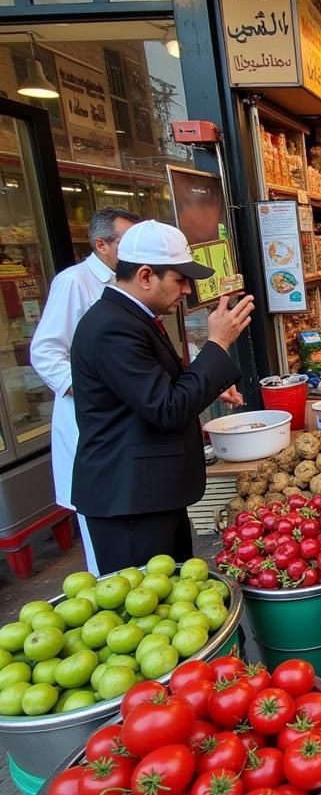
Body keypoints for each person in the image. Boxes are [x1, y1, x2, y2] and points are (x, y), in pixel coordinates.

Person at [70, 220, 254, 573]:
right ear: (145, 276)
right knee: (148, 607)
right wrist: (218, 345)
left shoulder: (133, 317)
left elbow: (157, 390)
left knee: (175, 592)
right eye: (180, 279)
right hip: (130, 502)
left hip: (151, 493)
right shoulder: (113, 326)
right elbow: (167, 408)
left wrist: (211, 379)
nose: (187, 290)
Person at [30, 207, 141, 573]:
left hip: (124, 425)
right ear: (101, 244)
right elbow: (45, 351)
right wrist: (94, 389)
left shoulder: (125, 284)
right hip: (92, 423)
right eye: (127, 242)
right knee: (104, 535)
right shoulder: (74, 282)